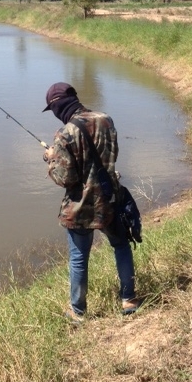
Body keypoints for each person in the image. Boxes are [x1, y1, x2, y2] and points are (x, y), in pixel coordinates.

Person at [42, 82, 140, 323]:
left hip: (80, 206)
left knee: (78, 258)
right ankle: (128, 299)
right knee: (121, 246)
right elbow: (112, 156)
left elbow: (67, 179)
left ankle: (78, 312)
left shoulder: (64, 134)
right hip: (110, 199)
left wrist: (51, 161)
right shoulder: (106, 119)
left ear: (57, 106)